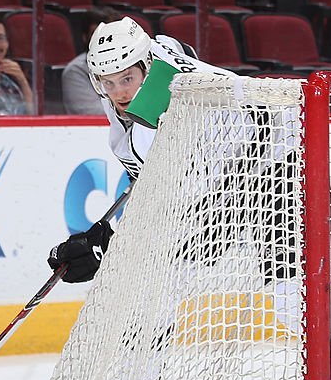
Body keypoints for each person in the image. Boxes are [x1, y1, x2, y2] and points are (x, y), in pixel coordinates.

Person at [48, 16, 234, 283]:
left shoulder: (155, 120)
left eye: (126, 79)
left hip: (272, 158)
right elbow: (178, 48)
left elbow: (169, 209)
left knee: (172, 270)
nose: (119, 93)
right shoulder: (153, 51)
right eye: (108, 83)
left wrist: (110, 249)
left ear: (145, 67)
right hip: (233, 154)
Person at [61, 7, 115, 116]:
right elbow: (91, 112)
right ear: (85, 37)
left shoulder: (134, 66)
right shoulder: (76, 70)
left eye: (111, 36)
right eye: (98, 36)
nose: (105, 42)